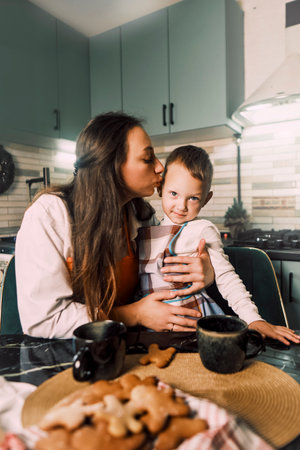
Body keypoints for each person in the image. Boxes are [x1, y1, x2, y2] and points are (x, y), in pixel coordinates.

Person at [15, 113, 215, 338]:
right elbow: (45, 319)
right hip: (68, 355)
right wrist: (133, 315)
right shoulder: (49, 215)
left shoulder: (140, 216)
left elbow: (170, 269)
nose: (160, 167)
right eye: (148, 159)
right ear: (111, 165)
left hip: (128, 345)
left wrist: (207, 271)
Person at [138, 145, 300, 345]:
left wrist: (253, 319)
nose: (181, 206)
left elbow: (226, 277)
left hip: (191, 327)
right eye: (173, 194)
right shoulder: (148, 227)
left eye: (193, 198)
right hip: (152, 329)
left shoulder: (202, 230)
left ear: (206, 199)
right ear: (160, 188)